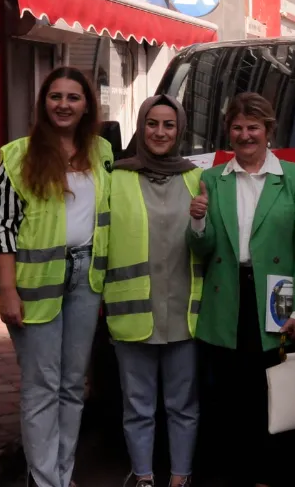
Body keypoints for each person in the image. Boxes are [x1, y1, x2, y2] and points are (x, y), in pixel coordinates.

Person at [187, 92, 295, 487]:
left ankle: (267, 476)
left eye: (253, 127)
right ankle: (233, 474)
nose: (245, 135)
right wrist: (196, 223)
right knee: (227, 397)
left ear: (268, 131)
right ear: (229, 131)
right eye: (238, 127)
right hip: (226, 298)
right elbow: (202, 249)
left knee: (272, 393)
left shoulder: (294, 178)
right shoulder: (211, 179)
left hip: (276, 299)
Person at [0, 67, 114, 487]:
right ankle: (43, 480)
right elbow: (2, 227)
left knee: (72, 386)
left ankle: (63, 474)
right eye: (55, 96)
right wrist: (7, 290)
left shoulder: (102, 153)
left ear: (87, 105)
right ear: (43, 102)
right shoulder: (18, 155)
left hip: (86, 278)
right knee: (42, 386)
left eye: (73, 97)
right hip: (35, 284)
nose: (63, 104)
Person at [106, 95, 203, 487]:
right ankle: (143, 475)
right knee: (137, 405)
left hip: (185, 312)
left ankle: (180, 477)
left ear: (180, 129)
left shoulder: (198, 178)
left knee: (183, 406)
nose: (160, 132)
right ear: (141, 127)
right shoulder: (116, 177)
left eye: (168, 124)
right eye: (152, 123)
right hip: (132, 312)